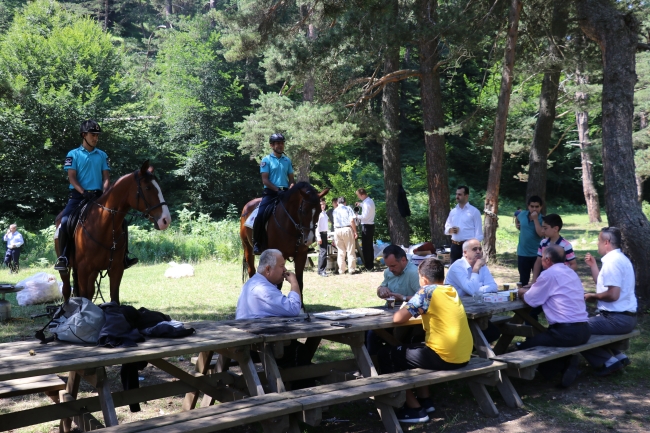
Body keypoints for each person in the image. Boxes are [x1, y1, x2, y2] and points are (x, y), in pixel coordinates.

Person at [378, 258, 473, 423]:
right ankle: (425, 400)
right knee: (414, 343)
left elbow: (398, 319)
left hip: (445, 356)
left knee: (386, 354)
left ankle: (414, 409)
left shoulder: (426, 291)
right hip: (463, 355)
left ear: (423, 279)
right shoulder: (451, 290)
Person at [55, 120, 138, 271]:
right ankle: (64, 257)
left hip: (99, 197)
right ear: (83, 135)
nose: (96, 138)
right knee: (65, 222)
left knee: (122, 222)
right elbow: (72, 178)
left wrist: (105, 193)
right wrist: (84, 192)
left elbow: (106, 177)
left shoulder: (102, 155)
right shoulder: (73, 154)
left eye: (97, 135)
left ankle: (124, 256)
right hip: (78, 196)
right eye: (93, 135)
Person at [517, 245, 591, 387]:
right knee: (543, 340)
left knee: (524, 347)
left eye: (542, 258)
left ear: (547, 260)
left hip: (565, 332)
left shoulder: (548, 274)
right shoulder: (570, 272)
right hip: (584, 330)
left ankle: (564, 366)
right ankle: (566, 364)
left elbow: (531, 300)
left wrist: (521, 292)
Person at [581, 227, 637, 376]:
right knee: (585, 326)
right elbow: (603, 286)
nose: (597, 244)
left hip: (617, 319)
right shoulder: (620, 259)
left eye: (599, 241)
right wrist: (593, 266)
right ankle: (618, 356)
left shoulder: (613, 262)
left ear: (606, 242)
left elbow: (612, 295)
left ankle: (608, 361)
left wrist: (593, 296)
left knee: (576, 329)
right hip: (626, 318)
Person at [367, 244, 422, 355]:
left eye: (393, 266)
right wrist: (381, 290)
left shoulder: (413, 273)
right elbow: (380, 288)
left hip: (409, 316)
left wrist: (403, 297)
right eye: (388, 266)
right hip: (389, 312)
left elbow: (423, 298)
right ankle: (372, 363)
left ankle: (376, 365)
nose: (391, 269)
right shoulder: (388, 272)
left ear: (403, 259)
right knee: (364, 332)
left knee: (373, 334)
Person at [444, 239, 500, 343]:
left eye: (480, 249)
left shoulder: (481, 265)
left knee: (494, 332)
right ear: (465, 253)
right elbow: (472, 291)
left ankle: (471, 349)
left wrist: (477, 290)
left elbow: (493, 286)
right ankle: (469, 351)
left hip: (473, 309)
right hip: (455, 313)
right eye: (474, 249)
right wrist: (475, 270)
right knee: (491, 333)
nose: (478, 252)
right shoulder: (457, 267)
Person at [253, 133, 295, 255]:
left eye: (282, 143)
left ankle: (301, 242)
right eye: (277, 143)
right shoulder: (266, 160)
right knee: (260, 214)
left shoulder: (287, 160)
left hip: (285, 193)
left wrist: (291, 186)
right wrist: (277, 190)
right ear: (272, 145)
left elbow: (291, 178)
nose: (280, 145)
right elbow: (265, 180)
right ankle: (257, 243)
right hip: (271, 193)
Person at [235, 249, 302, 319]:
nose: (285, 269)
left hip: (250, 328)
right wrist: (294, 282)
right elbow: (294, 308)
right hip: (254, 329)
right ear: (268, 270)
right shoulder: (263, 290)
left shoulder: (252, 282)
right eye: (282, 266)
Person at [530, 214, 577, 284]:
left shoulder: (566, 245)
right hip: (547, 279)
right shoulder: (543, 243)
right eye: (542, 228)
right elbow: (538, 262)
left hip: (561, 281)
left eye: (545, 228)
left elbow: (574, 264)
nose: (542, 231)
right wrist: (534, 280)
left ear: (555, 229)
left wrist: (564, 276)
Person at [444, 186, 483, 264]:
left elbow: (479, 234)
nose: (457, 196)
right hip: (455, 246)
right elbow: (446, 228)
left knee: (469, 271)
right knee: (455, 271)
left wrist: (474, 248)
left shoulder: (474, 212)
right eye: (456, 194)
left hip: (469, 248)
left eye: (460, 194)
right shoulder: (453, 212)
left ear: (466, 196)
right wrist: (450, 230)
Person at [515, 196, 544, 286]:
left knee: (538, 280)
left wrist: (535, 219)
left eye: (537, 206)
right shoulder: (522, 214)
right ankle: (523, 297)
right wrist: (518, 225)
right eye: (532, 206)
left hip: (537, 255)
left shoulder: (543, 219)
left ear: (541, 207)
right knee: (523, 280)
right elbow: (517, 217)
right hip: (523, 253)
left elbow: (540, 234)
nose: (534, 209)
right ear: (528, 206)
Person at [332, 197, 358, 274]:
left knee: (340, 251)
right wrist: (355, 231)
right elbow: (352, 220)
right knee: (350, 250)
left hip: (337, 230)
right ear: (345, 202)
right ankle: (351, 269)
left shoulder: (335, 210)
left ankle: (341, 270)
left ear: (338, 203)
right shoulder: (348, 208)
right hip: (346, 229)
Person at [355, 188, 376, 271]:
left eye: (359, 196)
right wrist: (360, 204)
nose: (359, 198)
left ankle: (368, 266)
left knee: (366, 247)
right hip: (370, 225)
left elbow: (364, 216)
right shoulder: (369, 201)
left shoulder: (367, 203)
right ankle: (370, 264)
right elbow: (366, 205)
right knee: (369, 246)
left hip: (366, 226)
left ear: (363, 195)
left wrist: (356, 216)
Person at [316, 199, 329, 277]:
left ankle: (320, 270)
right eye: (321, 204)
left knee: (323, 252)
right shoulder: (318, 214)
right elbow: (316, 227)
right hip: (320, 234)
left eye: (324, 204)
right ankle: (322, 270)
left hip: (325, 234)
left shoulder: (324, 213)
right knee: (323, 252)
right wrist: (318, 237)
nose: (323, 206)